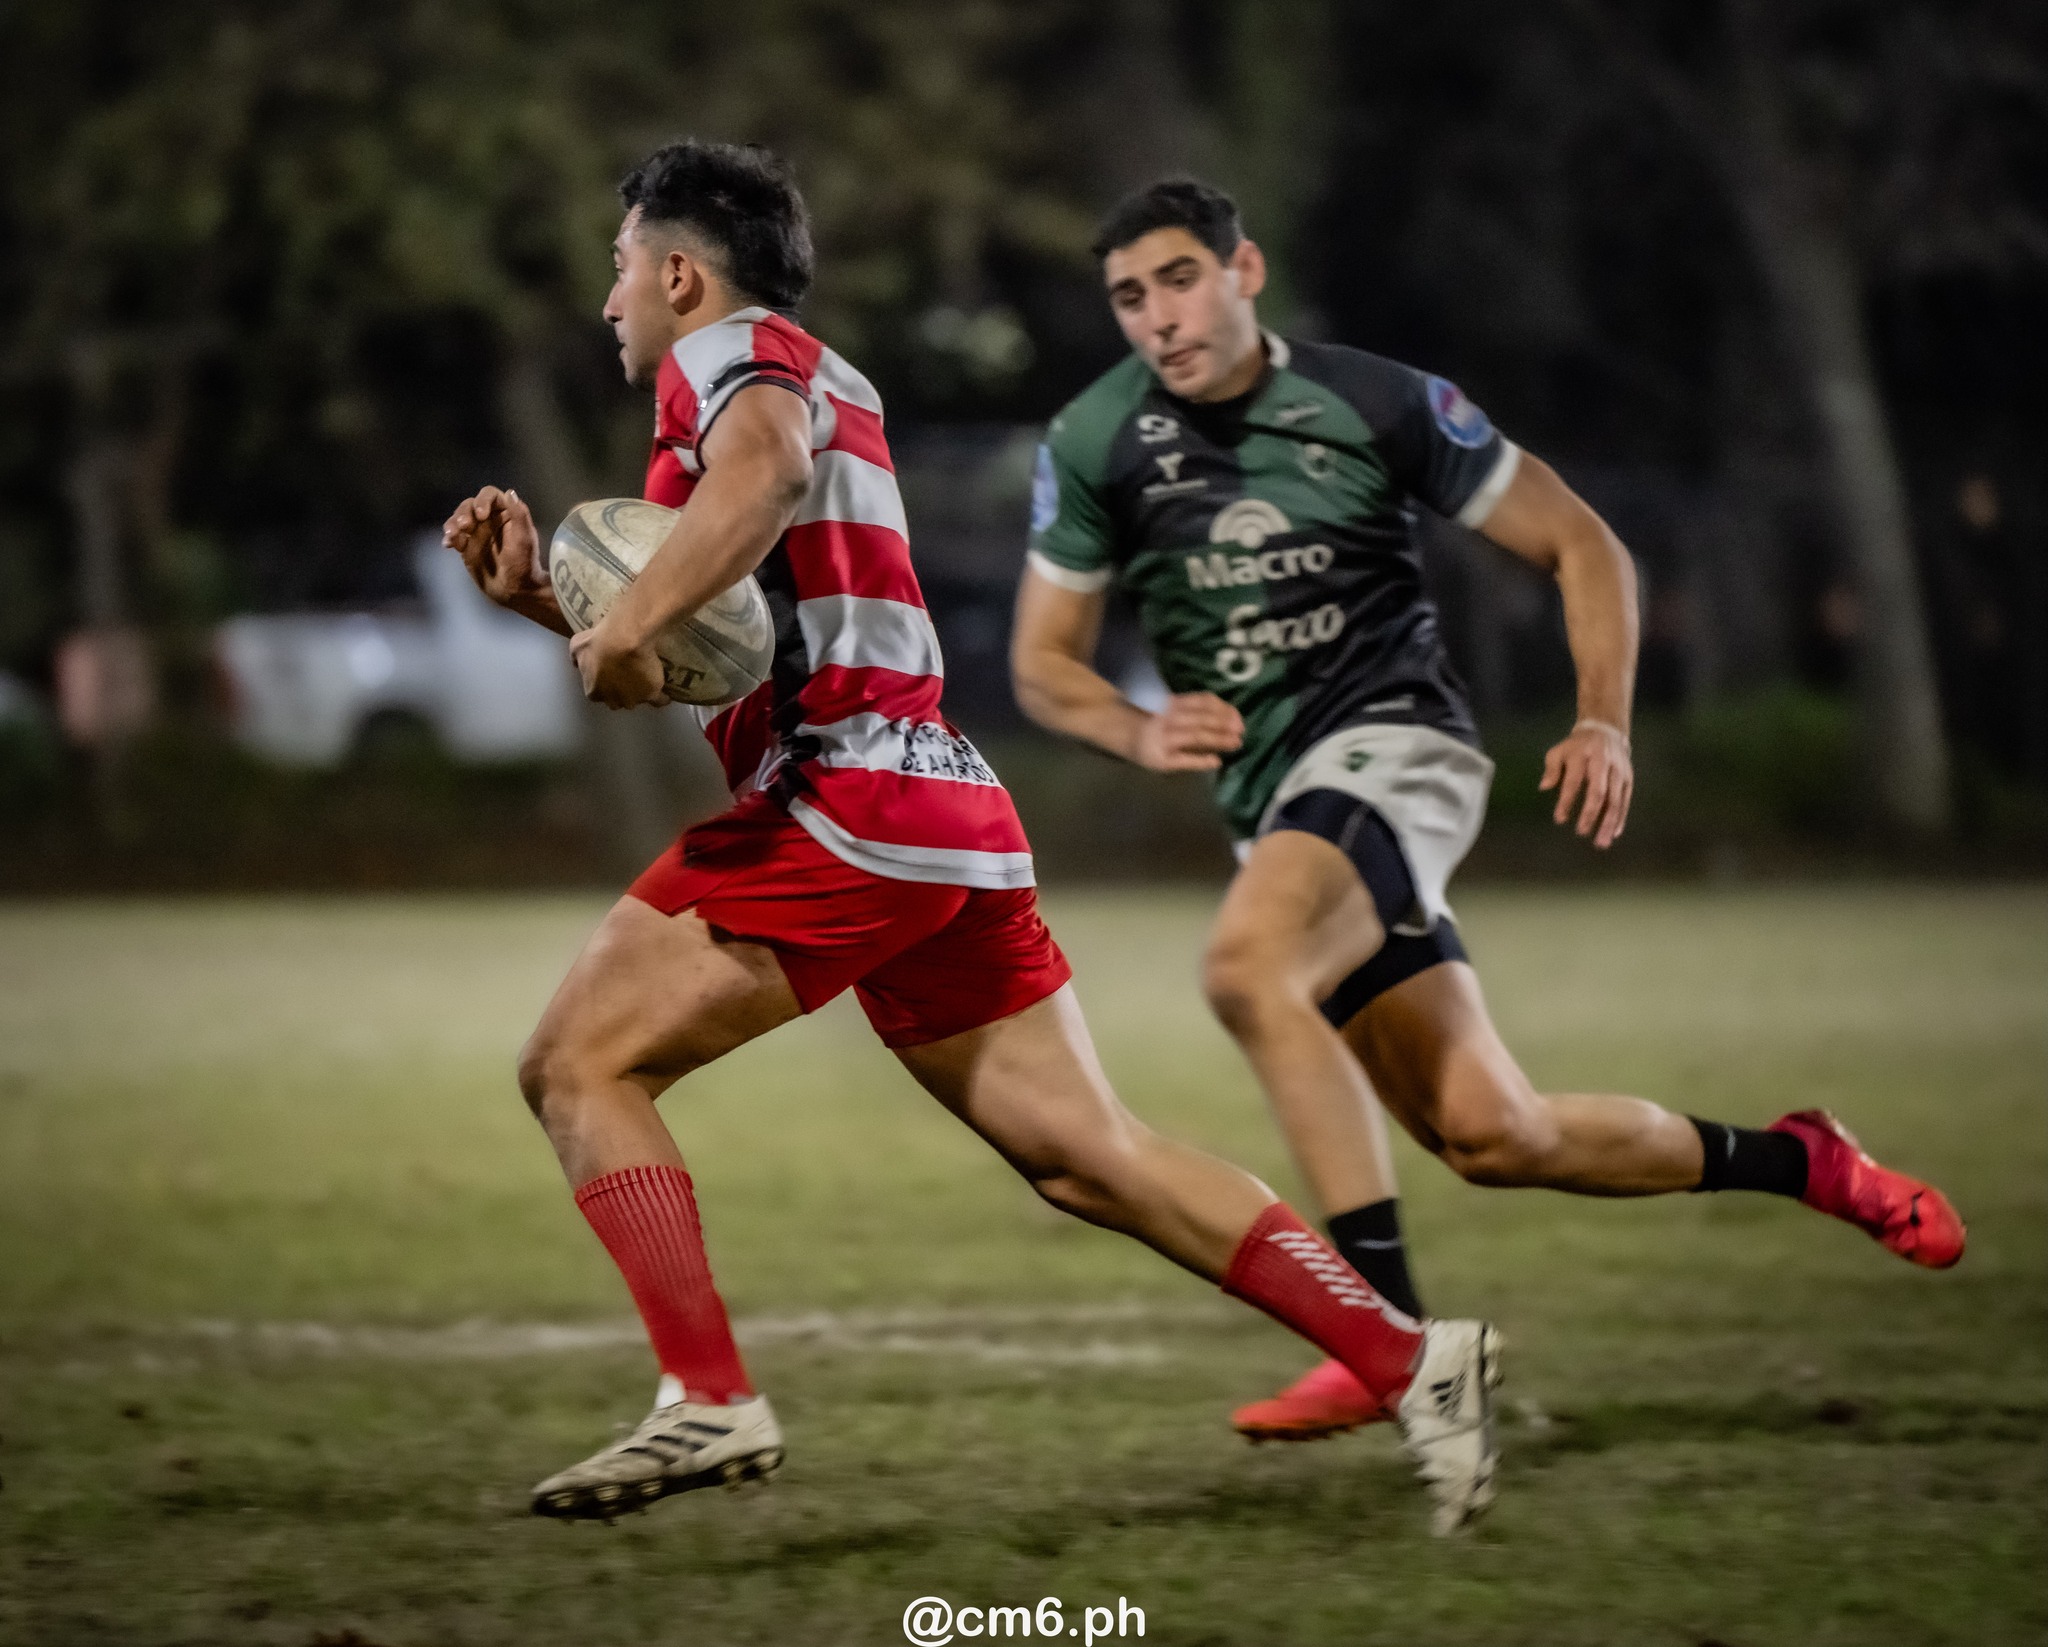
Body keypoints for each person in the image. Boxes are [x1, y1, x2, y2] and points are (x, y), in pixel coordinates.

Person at [442, 141, 1503, 1537]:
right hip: (938, 802)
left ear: (682, 275)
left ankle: (708, 1393)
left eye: (622, 266)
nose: (610, 299)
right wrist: (550, 604)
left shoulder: (728, 363)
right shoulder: (814, 374)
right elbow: (712, 656)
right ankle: (1413, 1357)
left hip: (844, 799)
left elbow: (760, 485)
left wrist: (626, 621)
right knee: (1087, 1153)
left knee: (577, 1065)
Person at [1011, 176, 1966, 1444]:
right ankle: (1806, 1161)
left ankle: (1389, 1343)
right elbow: (1042, 664)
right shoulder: (1094, 440)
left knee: (1246, 968)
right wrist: (1131, 727)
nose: (1157, 318)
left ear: (1242, 273)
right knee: (1490, 1133)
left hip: (1395, 748)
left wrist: (1600, 719)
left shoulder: (1374, 401)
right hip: (1279, 808)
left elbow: (1583, 546)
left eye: (1178, 280)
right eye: (1129, 297)